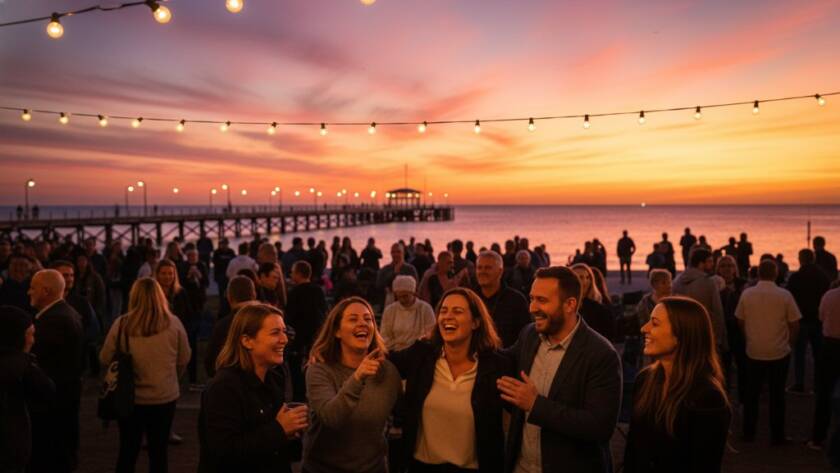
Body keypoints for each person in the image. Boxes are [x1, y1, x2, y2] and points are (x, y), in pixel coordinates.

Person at [498, 266, 621, 473]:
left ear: (570, 304)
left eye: (542, 301)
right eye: (532, 299)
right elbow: (501, 360)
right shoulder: (529, 334)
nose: (532, 308)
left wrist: (535, 405)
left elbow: (599, 427)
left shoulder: (601, 354)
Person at [389, 287, 511, 473]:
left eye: (457, 311)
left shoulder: (496, 367)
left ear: (476, 323)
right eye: (443, 311)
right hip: (421, 467)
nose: (447, 317)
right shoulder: (422, 355)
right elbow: (386, 361)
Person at [623, 297, 731, 473]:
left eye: (655, 324)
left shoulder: (707, 397)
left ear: (681, 335)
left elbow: (705, 465)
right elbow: (633, 450)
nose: (644, 328)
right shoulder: (645, 380)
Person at [198, 303, 308, 473]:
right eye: (275, 333)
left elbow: (278, 448)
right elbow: (223, 452)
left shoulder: (274, 378)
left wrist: (292, 434)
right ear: (247, 341)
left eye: (284, 331)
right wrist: (279, 429)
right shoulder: (223, 387)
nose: (284, 339)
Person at [100, 278, 191, 473]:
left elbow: (105, 356)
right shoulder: (173, 323)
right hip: (164, 396)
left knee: (128, 450)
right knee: (159, 453)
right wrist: (172, 375)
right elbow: (184, 357)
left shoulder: (122, 323)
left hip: (130, 397)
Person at [303, 297, 402, 473]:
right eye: (353, 319)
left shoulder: (388, 372)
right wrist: (358, 377)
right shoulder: (320, 371)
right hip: (324, 469)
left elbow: (401, 414)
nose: (362, 323)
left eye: (368, 319)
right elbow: (331, 417)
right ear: (337, 331)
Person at [736, 259, 801, 444]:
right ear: (775, 273)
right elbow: (795, 324)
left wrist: (749, 337)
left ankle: (749, 433)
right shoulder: (784, 295)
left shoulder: (747, 294)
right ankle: (777, 436)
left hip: (754, 350)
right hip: (779, 351)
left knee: (751, 395)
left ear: (758, 274)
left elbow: (740, 320)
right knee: (777, 395)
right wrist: (790, 343)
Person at [27, 269, 84, 473]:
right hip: (64, 398)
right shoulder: (65, 313)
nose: (28, 292)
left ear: (45, 291)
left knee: (51, 456)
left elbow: (42, 362)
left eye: (32, 288)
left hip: (54, 402)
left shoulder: (54, 320)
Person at [0, 305, 55, 473]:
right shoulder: (22, 367)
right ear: (18, 337)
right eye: (30, 334)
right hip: (10, 444)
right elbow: (47, 390)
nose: (33, 340)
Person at [786, 249, 831, 394]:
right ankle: (819, 384)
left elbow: (790, 298)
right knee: (818, 354)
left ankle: (800, 384)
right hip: (818, 320)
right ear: (814, 259)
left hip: (801, 319)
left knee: (799, 354)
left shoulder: (796, 277)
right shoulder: (823, 277)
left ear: (800, 259)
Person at [283, 260, 327, 400]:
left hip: (299, 340)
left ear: (298, 274)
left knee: (297, 374)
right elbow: (324, 312)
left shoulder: (294, 293)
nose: (291, 274)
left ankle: (299, 399)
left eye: (293, 272)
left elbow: (289, 318)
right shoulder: (318, 290)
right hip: (316, 338)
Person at [672, 249, 727, 354]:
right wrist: (720, 339)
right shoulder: (709, 283)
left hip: (682, 334)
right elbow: (717, 312)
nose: (713, 264)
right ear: (701, 264)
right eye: (710, 261)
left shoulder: (677, 281)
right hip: (703, 334)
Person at [472, 251, 531, 348]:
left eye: (488, 268)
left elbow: (525, 337)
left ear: (500, 271)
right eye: (479, 268)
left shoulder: (516, 300)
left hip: (506, 359)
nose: (482, 272)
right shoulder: (469, 299)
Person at [204, 276, 257, 378]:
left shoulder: (223, 326)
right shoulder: (267, 320)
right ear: (254, 294)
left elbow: (211, 361)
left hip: (232, 384)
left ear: (229, 297)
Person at [156, 258, 197, 388]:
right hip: (160, 332)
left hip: (179, 330)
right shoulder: (154, 294)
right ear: (157, 274)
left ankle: (192, 380)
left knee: (191, 344)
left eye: (170, 273)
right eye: (163, 273)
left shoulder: (180, 292)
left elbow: (189, 314)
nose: (167, 277)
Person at [811, 281, 840, 449]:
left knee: (824, 394)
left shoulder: (829, 295)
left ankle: (818, 437)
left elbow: (821, 317)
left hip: (830, 346)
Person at [716, 255, 747, 403]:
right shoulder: (714, 285)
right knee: (723, 368)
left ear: (735, 268)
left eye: (730, 265)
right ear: (718, 269)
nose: (727, 269)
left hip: (739, 330)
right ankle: (724, 399)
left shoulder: (743, 285)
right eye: (723, 266)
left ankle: (743, 399)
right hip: (722, 331)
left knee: (743, 366)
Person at [380, 275, 436, 351]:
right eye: (399, 297)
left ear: (413, 293)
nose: (402, 300)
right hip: (395, 353)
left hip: (419, 352)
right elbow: (385, 336)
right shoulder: (390, 310)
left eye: (405, 296)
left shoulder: (425, 309)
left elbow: (431, 333)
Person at [571, 263, 614, 341]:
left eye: (588, 277)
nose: (585, 281)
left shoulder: (598, 308)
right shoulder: (562, 307)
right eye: (580, 277)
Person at [376, 243, 419, 307]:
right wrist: (394, 273)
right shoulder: (384, 269)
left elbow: (415, 287)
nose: (396, 254)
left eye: (398, 252)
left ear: (403, 253)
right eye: (393, 252)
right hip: (388, 304)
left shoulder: (410, 269)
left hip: (408, 304)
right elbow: (378, 286)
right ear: (391, 254)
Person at [212, 238, 236, 317]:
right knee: (222, 293)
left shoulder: (231, 252)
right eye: (222, 244)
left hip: (229, 275)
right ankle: (222, 309)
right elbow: (214, 263)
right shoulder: (216, 253)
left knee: (230, 292)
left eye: (225, 244)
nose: (224, 245)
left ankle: (230, 307)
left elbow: (234, 261)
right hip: (220, 275)